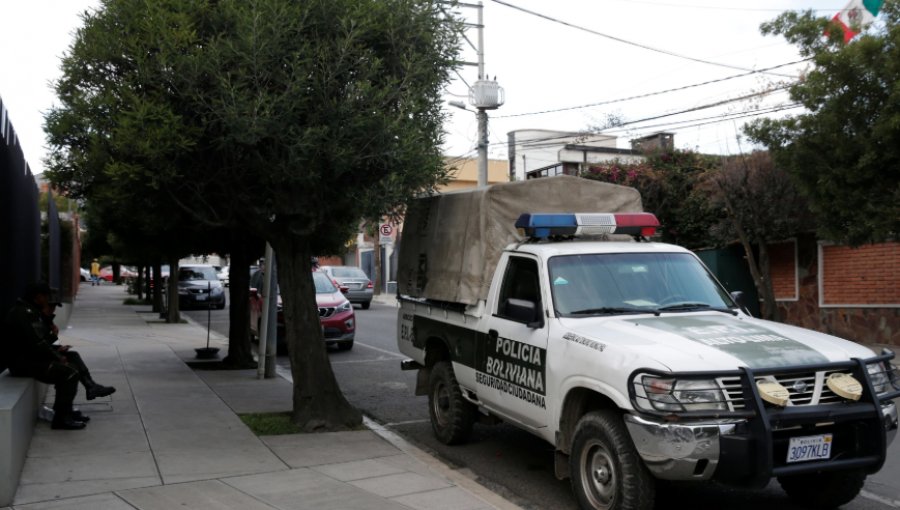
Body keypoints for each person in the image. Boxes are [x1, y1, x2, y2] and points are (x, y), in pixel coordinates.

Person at [5, 283, 116, 430]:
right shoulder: (25, 313)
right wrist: (57, 356)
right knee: (69, 372)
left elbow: (44, 340)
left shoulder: (31, 311)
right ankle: (61, 418)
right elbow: (38, 343)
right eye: (46, 297)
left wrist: (55, 343)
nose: (48, 301)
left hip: (29, 357)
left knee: (72, 356)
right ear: (38, 297)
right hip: (22, 363)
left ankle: (90, 388)